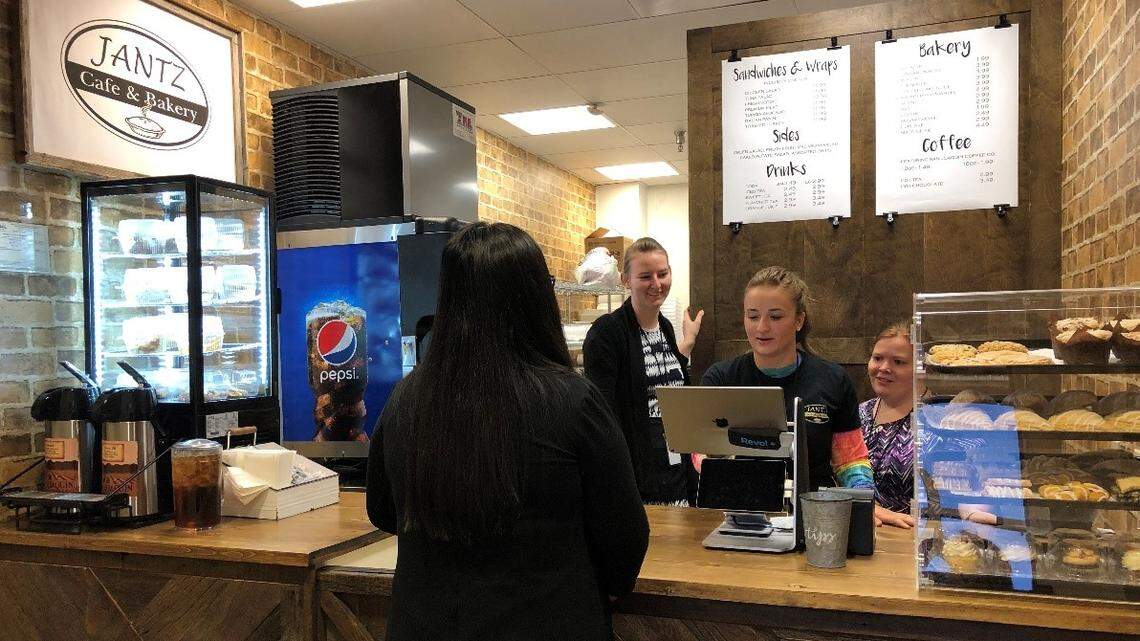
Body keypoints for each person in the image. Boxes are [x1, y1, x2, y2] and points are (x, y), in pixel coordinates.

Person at [367, 222, 649, 641]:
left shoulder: (406, 399)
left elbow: (383, 511)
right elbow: (625, 536)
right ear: (537, 298)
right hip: (549, 622)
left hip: (425, 623)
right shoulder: (574, 402)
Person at [700, 267, 876, 498]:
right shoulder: (721, 379)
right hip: (741, 509)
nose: (762, 327)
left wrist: (864, 498)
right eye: (752, 316)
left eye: (775, 317)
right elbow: (700, 452)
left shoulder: (833, 379)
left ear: (799, 320)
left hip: (814, 511)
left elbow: (850, 460)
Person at [583, 237, 704, 505]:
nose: (657, 284)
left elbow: (671, 388)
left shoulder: (666, 329)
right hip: (637, 478)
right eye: (645, 276)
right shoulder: (607, 333)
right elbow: (601, 413)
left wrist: (688, 343)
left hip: (676, 471)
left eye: (663, 274)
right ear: (626, 280)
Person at [860, 321, 919, 528]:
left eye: (898, 362)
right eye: (877, 358)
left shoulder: (936, 419)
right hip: (862, 532)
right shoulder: (857, 414)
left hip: (914, 538)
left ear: (920, 368)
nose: (884, 368)